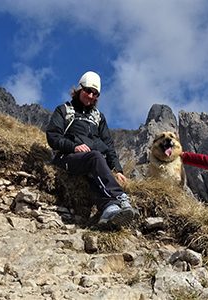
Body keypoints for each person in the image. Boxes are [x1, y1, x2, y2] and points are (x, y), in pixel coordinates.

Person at [46, 71, 139, 230]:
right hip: (66, 158)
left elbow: (108, 145)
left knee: (96, 163)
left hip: (91, 162)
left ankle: (109, 209)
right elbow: (52, 137)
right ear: (79, 89)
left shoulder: (98, 117)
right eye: (87, 91)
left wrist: (117, 169)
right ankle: (120, 197)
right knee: (95, 157)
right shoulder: (64, 110)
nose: (90, 96)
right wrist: (73, 147)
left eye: (95, 94)